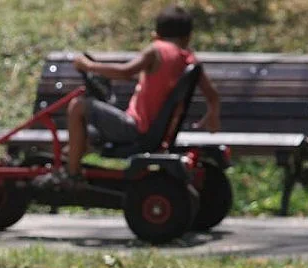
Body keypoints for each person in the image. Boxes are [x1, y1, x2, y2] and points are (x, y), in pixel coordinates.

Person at [38, 5, 220, 188]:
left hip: (136, 130)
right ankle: (74, 154)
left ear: (155, 34)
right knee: (94, 125)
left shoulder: (156, 50)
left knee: (78, 106)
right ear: (188, 37)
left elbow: (125, 72)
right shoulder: (188, 59)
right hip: (156, 133)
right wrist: (211, 117)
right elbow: (213, 96)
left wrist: (88, 66)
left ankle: (72, 174)